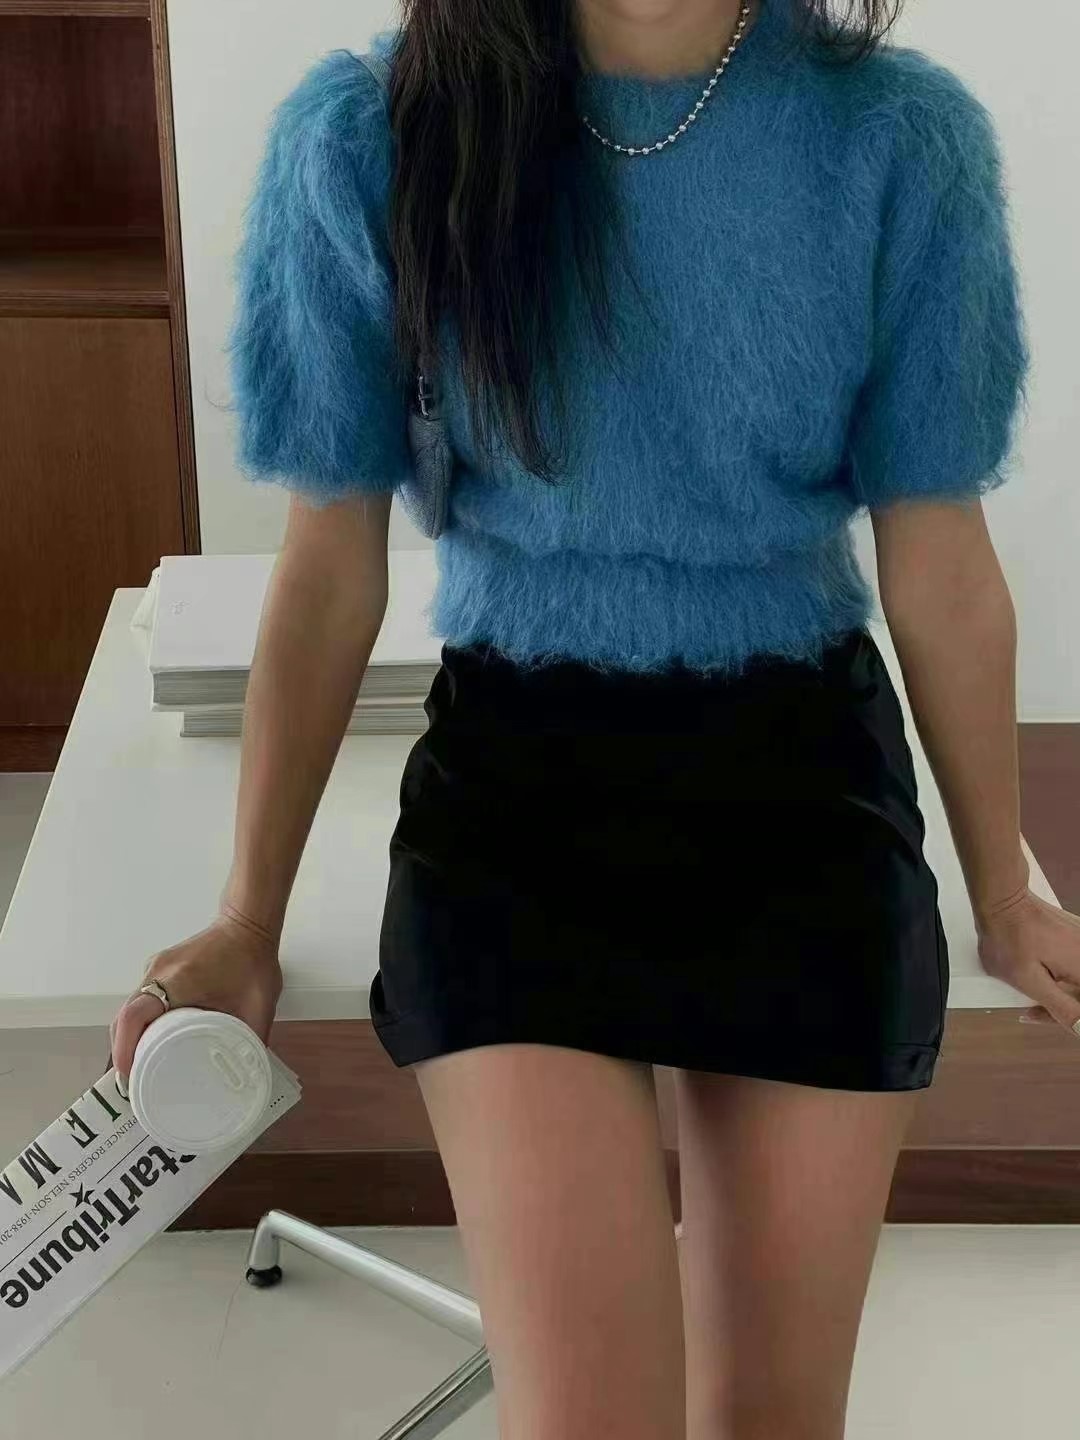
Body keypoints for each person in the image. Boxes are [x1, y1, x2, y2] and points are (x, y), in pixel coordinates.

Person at [110, 0, 1080, 1434]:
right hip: (518, 798)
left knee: (773, 1420)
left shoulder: (897, 138)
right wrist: (247, 918)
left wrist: (1003, 888)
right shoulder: (370, 135)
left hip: (801, 786)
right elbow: (326, 569)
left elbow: (940, 561)